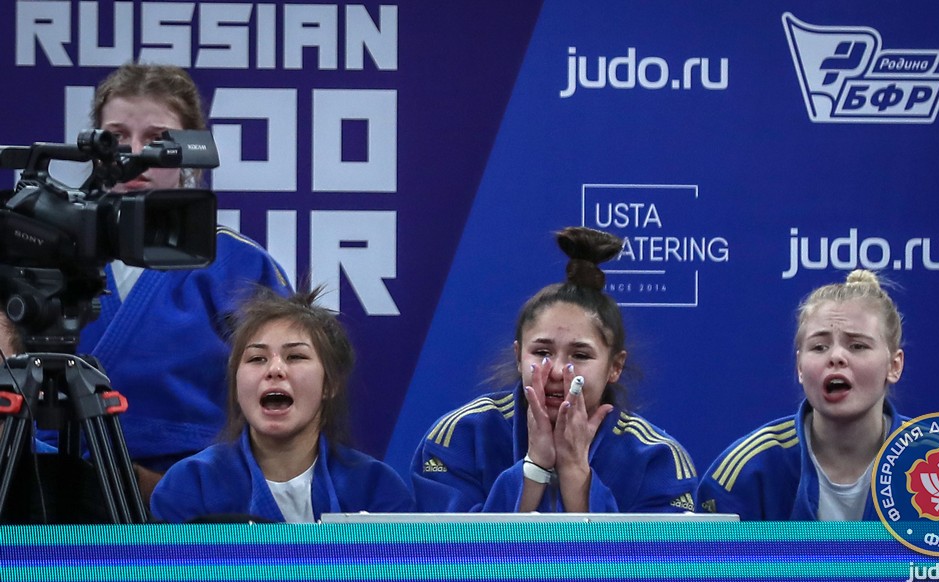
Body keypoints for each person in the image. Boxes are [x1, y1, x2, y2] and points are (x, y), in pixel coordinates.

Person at [37, 63, 292, 504]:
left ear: (190, 149)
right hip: (50, 488)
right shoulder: (43, 254)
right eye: (116, 137)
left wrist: (175, 489)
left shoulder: (239, 264)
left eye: (157, 139)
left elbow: (289, 404)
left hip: (196, 500)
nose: (135, 153)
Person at [410, 226, 698, 513]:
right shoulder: (463, 436)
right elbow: (450, 542)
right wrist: (534, 468)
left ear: (615, 367)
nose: (558, 371)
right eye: (542, 352)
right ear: (518, 356)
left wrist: (575, 473)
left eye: (580, 355)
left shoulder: (657, 458)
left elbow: (657, 545)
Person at [150, 286, 414, 522]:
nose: (275, 369)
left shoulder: (377, 488)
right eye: (257, 359)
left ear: (330, 383)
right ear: (237, 383)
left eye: (295, 356)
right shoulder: (189, 485)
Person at [697, 269, 908, 520]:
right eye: (819, 347)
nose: (836, 356)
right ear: (799, 367)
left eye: (857, 346)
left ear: (894, 366)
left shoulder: (938, 458)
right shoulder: (747, 472)